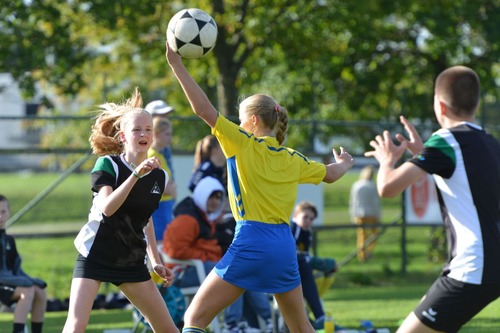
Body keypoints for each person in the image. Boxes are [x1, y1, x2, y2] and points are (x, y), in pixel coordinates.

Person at [166, 42, 354, 333]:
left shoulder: (241, 142)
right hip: (283, 245)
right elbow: (331, 174)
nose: (238, 124)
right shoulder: (292, 158)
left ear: (252, 121)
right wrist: (345, 163)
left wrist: (177, 64)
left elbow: (203, 109)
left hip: (252, 241)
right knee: (302, 327)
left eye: (241, 120)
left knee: (194, 320)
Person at [364, 66, 500, 333]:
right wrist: (423, 153)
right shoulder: (490, 143)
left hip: (474, 266)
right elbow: (462, 175)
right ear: (476, 103)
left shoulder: (445, 141)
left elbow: (387, 188)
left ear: (440, 106)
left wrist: (386, 161)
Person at [62, 88, 178, 333]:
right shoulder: (109, 164)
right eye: (136, 129)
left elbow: (145, 220)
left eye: (148, 129)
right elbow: (107, 208)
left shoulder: (160, 175)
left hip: (130, 260)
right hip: (96, 254)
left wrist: (155, 260)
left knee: (167, 329)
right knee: (76, 326)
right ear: (123, 136)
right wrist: (136, 175)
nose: (144, 134)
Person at [163, 177, 272, 333]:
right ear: (202, 194)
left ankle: (268, 320)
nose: (215, 201)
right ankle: (231, 324)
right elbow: (174, 250)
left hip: (200, 269)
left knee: (244, 270)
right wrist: (206, 254)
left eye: (218, 197)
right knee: (233, 272)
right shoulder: (188, 219)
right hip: (182, 274)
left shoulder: (206, 218)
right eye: (211, 196)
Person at [0, 194, 47, 333]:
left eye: (3, 212)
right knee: (27, 291)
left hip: (7, 283)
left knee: (40, 290)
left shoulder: (9, 240)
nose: (0, 216)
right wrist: (25, 282)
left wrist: (32, 280)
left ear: (9, 212)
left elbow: (16, 270)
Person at [290, 201, 337, 330]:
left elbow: (304, 254)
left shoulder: (306, 233)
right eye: (305, 217)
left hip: (298, 273)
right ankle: (319, 317)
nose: (308, 221)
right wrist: (314, 261)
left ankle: (315, 317)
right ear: (295, 215)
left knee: (314, 274)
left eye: (311, 219)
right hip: (285, 273)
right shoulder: (294, 228)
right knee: (306, 269)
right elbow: (291, 254)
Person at [148, 117, 177, 240]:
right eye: (167, 134)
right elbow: (154, 184)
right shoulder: (152, 155)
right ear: (156, 134)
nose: (169, 138)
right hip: (159, 206)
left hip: (166, 205)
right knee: (160, 242)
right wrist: (168, 189)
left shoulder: (160, 155)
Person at [349, 165, 381, 261]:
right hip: (371, 213)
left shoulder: (356, 185)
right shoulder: (372, 186)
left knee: (361, 235)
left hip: (359, 213)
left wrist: (352, 213)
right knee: (373, 234)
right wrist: (378, 214)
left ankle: (362, 255)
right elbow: (375, 202)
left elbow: (353, 201)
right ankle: (369, 252)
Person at [145, 99, 176, 181]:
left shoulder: (165, 148)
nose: (165, 119)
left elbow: (170, 177)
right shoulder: (146, 150)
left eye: (166, 115)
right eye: (161, 115)